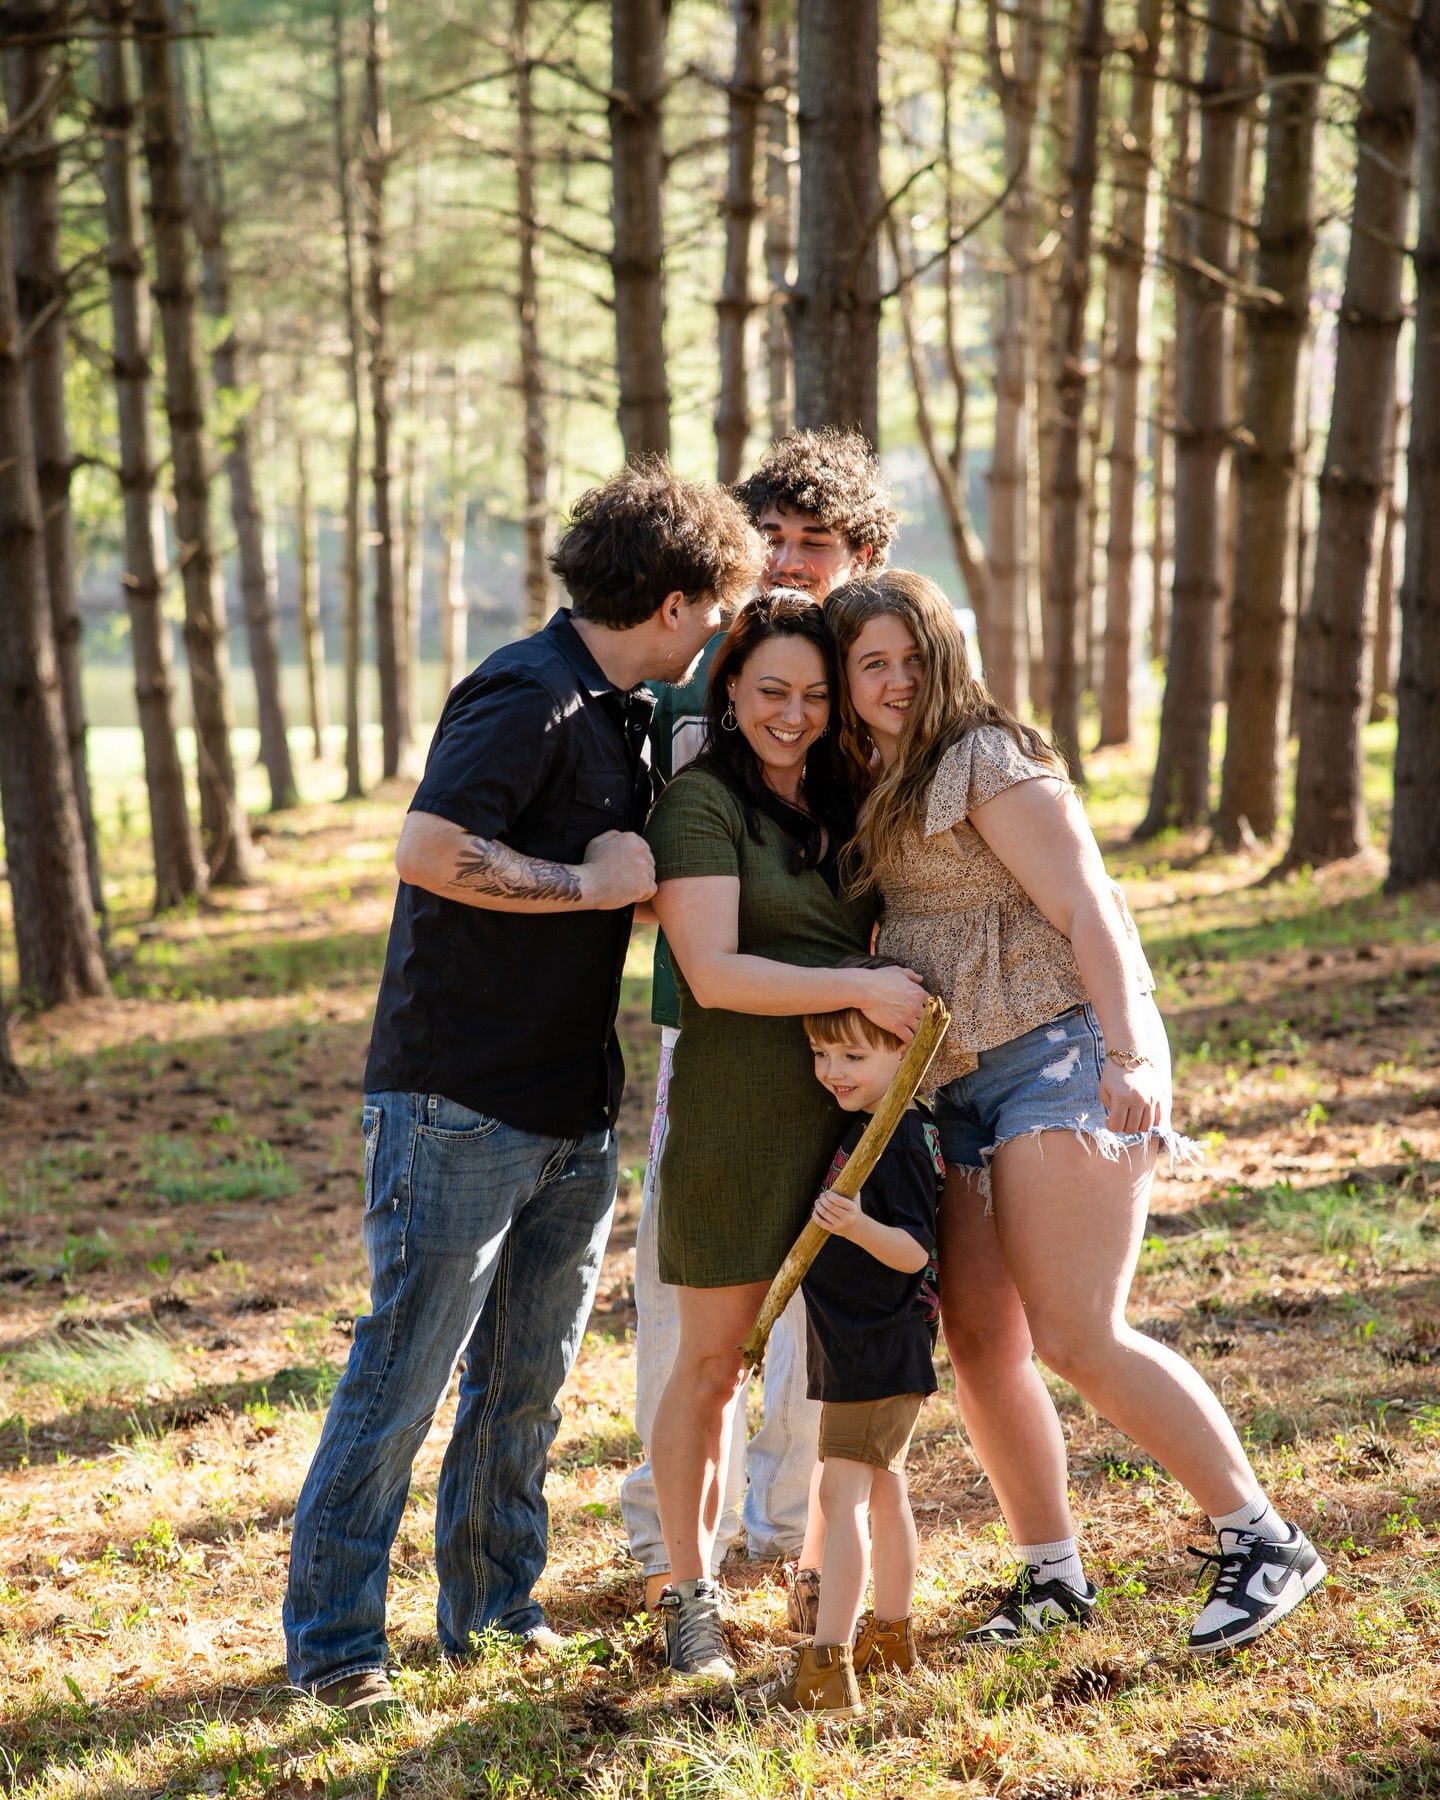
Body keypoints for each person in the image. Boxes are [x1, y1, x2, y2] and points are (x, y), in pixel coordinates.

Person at [282, 462, 765, 1721]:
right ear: (671, 601)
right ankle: (335, 1649)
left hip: (567, 1098)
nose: (717, 637)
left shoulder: (615, 708)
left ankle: (490, 1609)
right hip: (457, 1098)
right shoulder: (528, 691)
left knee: (526, 1375)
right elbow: (430, 851)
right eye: (714, 612)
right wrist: (588, 889)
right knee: (406, 1372)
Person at [824, 569, 1327, 1655]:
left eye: (915, 656)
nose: (899, 680)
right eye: (874, 664)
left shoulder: (982, 757)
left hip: (1058, 1058)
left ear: (946, 654)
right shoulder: (880, 779)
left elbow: (1086, 901)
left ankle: (1263, 1537)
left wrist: (1135, 1050)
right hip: (958, 1082)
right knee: (982, 1341)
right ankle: (1052, 1576)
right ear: (847, 679)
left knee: (1077, 1331)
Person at [622, 428, 900, 1618]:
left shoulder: (881, 690)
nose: (788, 562)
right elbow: (672, 874)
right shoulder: (701, 684)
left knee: (833, 1302)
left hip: (853, 1050)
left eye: (813, 543)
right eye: (770, 539)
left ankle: (794, 1533)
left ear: (864, 554)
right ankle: (667, 1538)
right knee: (694, 1299)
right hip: (718, 1027)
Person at [746, 968, 945, 1719]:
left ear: (904, 1051)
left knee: (843, 1496)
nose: (832, 1072)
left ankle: (826, 1664)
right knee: (883, 1494)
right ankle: (891, 1637)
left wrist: (855, 1225)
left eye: (852, 1058)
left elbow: (916, 1253)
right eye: (822, 1055)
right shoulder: (884, 1127)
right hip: (865, 1342)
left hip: (876, 1341)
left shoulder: (892, 1139)